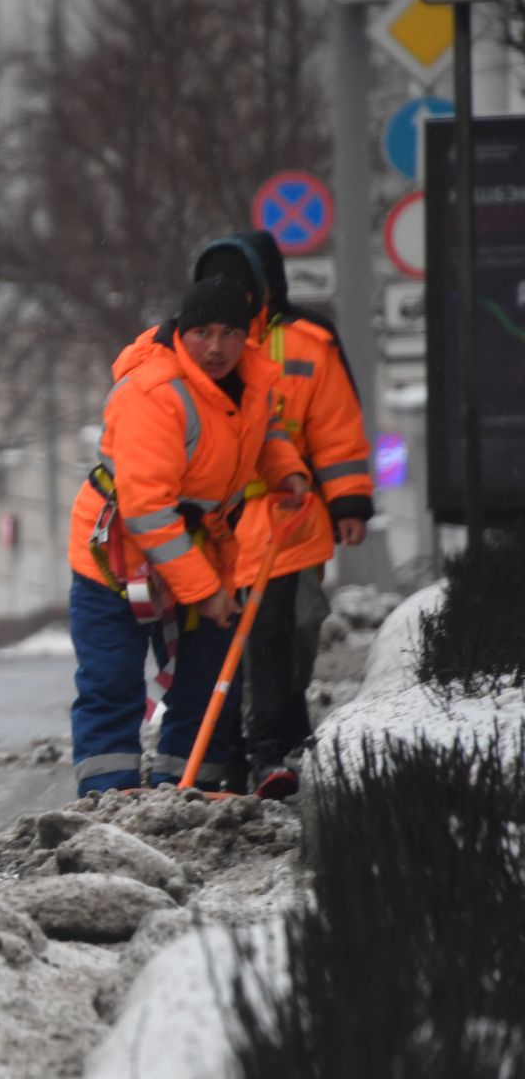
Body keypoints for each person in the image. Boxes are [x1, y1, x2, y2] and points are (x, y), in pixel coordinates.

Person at [66, 276, 309, 796]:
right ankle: (108, 795)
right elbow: (148, 511)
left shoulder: (251, 381)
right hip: (120, 558)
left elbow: (260, 434)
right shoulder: (154, 394)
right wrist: (206, 591)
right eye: (202, 332)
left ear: (246, 336)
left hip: (205, 548)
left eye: (228, 333)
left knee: (205, 680)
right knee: (112, 678)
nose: (216, 347)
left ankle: (190, 788)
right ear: (181, 333)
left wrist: (286, 470)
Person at [192, 231, 374, 799]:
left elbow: (336, 429)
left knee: (295, 628)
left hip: (292, 519)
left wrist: (348, 500)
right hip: (221, 522)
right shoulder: (208, 345)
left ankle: (281, 732)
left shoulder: (309, 343)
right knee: (247, 639)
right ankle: (259, 747)